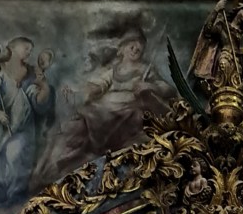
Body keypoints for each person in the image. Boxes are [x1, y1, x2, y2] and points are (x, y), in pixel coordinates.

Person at [36, 25, 173, 184]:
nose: (136, 48)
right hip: (106, 108)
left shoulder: (146, 70)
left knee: (115, 112)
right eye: (132, 45)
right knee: (87, 114)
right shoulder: (115, 70)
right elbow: (101, 83)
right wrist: (89, 89)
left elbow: (167, 88)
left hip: (129, 109)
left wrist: (150, 86)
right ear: (121, 49)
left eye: (139, 46)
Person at [0, 36, 55, 205]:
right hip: (0, 124)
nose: (29, 52)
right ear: (12, 48)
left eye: (30, 50)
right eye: (26, 48)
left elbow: (37, 101)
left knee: (17, 155)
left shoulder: (31, 73)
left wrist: (43, 88)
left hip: (23, 126)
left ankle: (15, 194)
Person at [189, 0, 243, 96]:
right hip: (225, 55)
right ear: (238, 10)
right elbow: (208, 30)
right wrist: (216, 10)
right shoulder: (223, 26)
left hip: (238, 60)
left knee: (238, 82)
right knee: (223, 65)